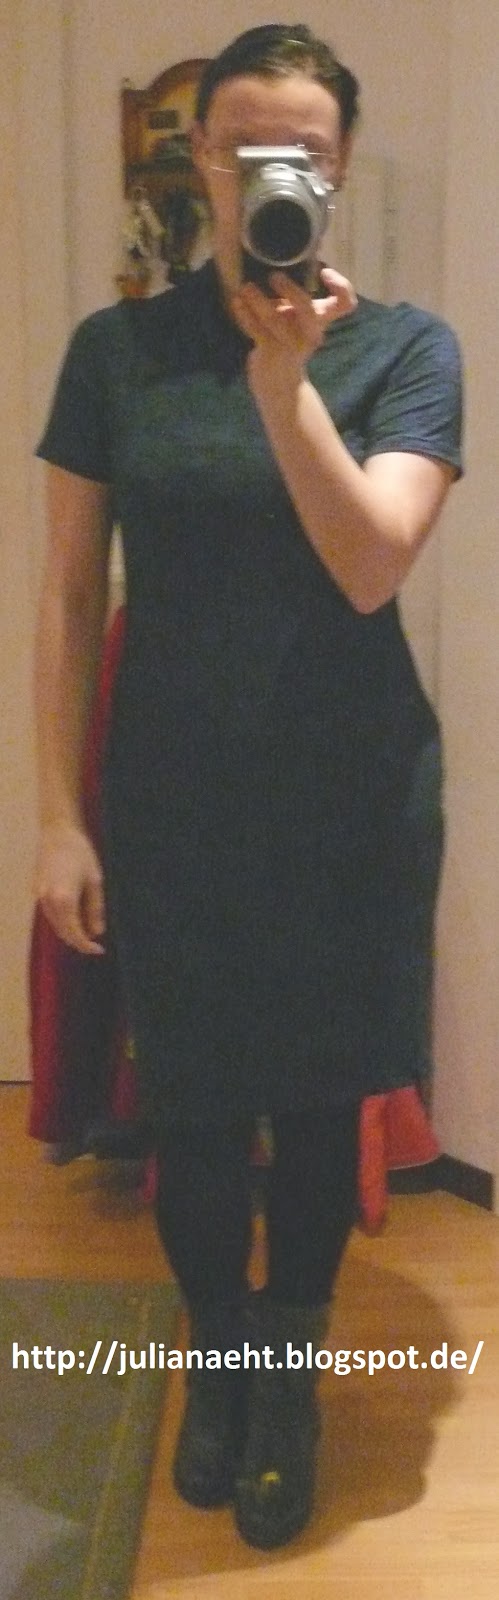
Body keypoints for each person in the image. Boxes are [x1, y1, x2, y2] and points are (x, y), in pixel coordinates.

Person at [33, 23, 463, 1552]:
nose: (276, 174)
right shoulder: (116, 354)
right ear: (204, 163)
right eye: (248, 149)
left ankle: (284, 1377)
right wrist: (60, 817)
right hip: (173, 792)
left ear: (338, 171)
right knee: (200, 1099)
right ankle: (221, 1352)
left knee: (318, 1093)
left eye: (308, 153)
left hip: (351, 795)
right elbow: (69, 595)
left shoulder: (408, 351)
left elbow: (370, 566)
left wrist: (288, 384)